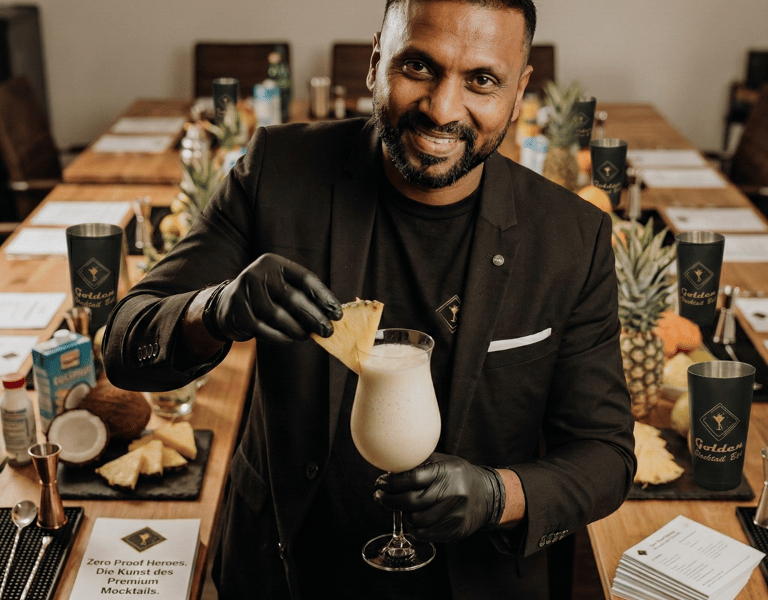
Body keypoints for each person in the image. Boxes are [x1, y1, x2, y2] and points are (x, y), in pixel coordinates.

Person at [103, 0, 636, 598]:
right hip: (285, 565)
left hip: (473, 578)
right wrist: (216, 308)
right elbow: (125, 344)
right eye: (418, 67)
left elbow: (606, 454)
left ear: (518, 92)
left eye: (481, 80)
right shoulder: (277, 171)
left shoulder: (570, 235)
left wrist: (496, 495)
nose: (441, 108)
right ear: (376, 59)